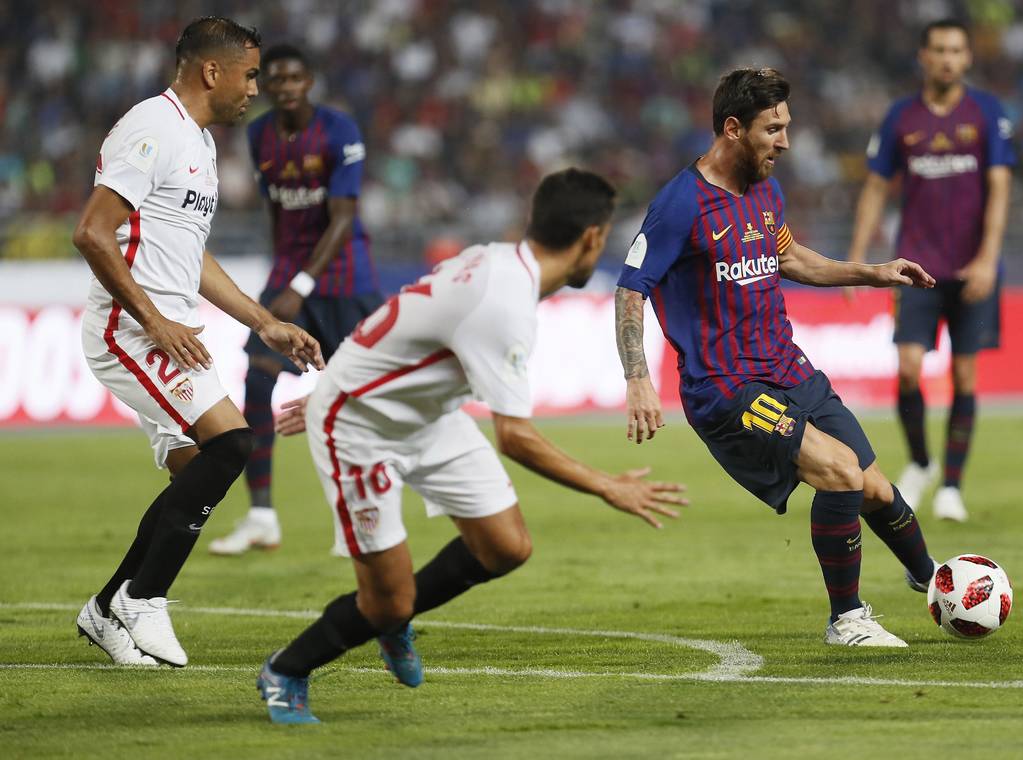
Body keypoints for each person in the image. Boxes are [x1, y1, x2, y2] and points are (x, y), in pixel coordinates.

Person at [256, 169, 687, 724]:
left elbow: (406, 316)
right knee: (387, 600)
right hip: (360, 426)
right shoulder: (505, 304)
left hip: (427, 414)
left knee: (505, 546)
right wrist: (609, 486)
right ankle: (287, 669)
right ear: (592, 238)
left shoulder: (495, 261)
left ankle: (390, 620)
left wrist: (345, 375)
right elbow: (515, 437)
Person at [616, 68, 937, 649]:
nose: (785, 142)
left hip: (788, 368)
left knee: (873, 488)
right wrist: (637, 378)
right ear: (733, 129)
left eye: (786, 126)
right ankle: (847, 618)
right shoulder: (680, 204)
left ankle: (935, 583)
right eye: (773, 129)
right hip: (727, 388)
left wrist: (873, 273)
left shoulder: (766, 191)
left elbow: (788, 259)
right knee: (839, 471)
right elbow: (630, 288)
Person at [73, 17, 324, 668]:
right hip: (130, 330)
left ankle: (105, 609)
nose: (256, 89)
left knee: (196, 470)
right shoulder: (152, 128)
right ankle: (142, 597)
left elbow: (193, 256)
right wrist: (154, 321)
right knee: (233, 443)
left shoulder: (201, 143)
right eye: (249, 75)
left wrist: (263, 322)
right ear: (212, 71)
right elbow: (93, 233)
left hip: (173, 332)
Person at [210, 44, 382, 556]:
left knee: (362, 394)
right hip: (289, 275)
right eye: (276, 79)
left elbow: (343, 218)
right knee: (257, 381)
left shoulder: (339, 131)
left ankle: (365, 514)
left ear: (309, 82)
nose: (285, 88)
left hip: (345, 278)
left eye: (294, 79)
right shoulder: (259, 133)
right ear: (265, 84)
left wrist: (298, 285)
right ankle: (261, 516)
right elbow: (276, 210)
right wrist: (282, 272)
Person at [846, 18, 1014, 522]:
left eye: (956, 50)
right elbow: (876, 187)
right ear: (923, 56)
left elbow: (1000, 187)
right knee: (908, 369)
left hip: (972, 268)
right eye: (939, 49)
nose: (947, 59)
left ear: (967, 58)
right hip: (916, 266)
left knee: (964, 374)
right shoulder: (900, 116)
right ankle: (921, 462)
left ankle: (952, 487)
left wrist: (987, 258)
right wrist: (857, 260)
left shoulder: (987, 113)